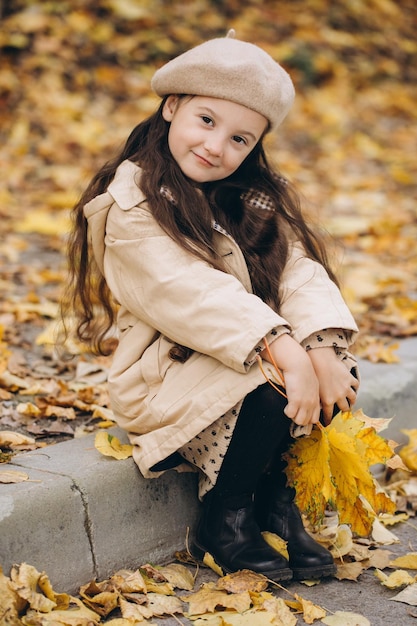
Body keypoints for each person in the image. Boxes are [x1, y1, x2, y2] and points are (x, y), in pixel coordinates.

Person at [62, 30, 360, 582]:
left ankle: (277, 507)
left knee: (332, 370)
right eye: (206, 120)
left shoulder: (246, 196)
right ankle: (226, 517)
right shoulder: (132, 201)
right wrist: (281, 345)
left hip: (229, 353)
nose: (217, 146)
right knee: (273, 376)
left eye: (239, 138)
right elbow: (191, 292)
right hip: (164, 375)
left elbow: (298, 271)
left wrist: (319, 346)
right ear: (172, 106)